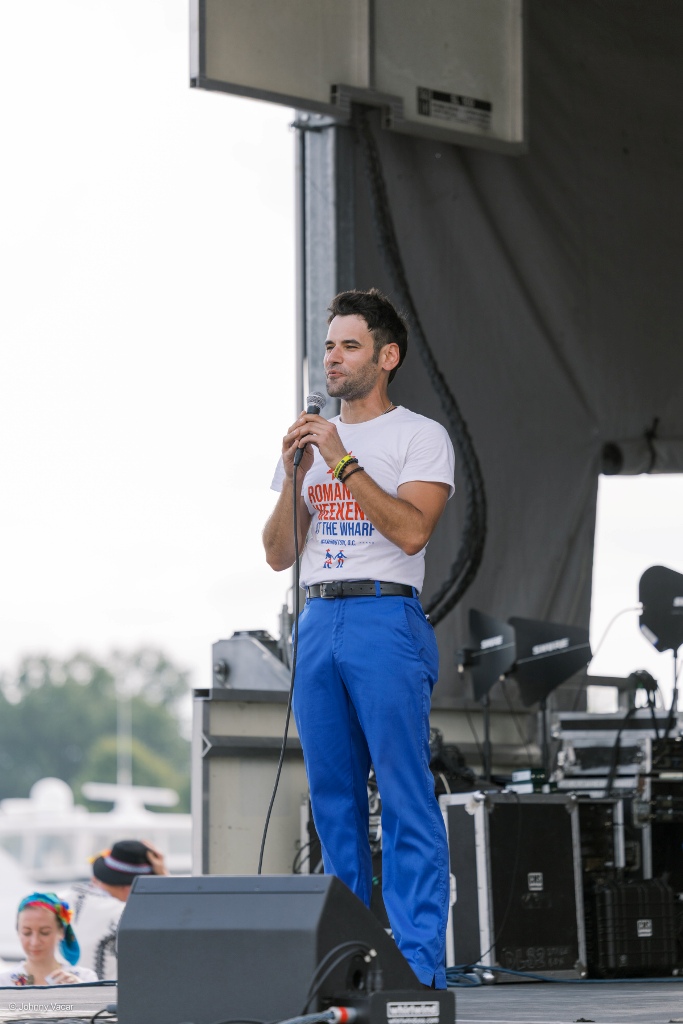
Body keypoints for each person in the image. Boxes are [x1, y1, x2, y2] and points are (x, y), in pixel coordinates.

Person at [263, 288, 454, 989]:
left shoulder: (418, 435)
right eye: (329, 346)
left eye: (349, 345)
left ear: (387, 356)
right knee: (332, 801)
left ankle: (419, 966)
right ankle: (349, 963)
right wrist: (295, 472)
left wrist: (342, 461)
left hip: (383, 614)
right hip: (318, 616)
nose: (333, 358)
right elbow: (278, 554)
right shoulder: (309, 442)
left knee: (403, 794)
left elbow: (411, 530)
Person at [60, 839, 168, 980]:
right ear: (130, 888)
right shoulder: (126, 913)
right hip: (104, 992)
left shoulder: (67, 897)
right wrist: (164, 875)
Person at [0, 893, 98, 986]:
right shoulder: (4, 982)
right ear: (18, 932)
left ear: (61, 932)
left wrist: (81, 990)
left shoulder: (85, 978)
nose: (35, 942)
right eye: (27, 933)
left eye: (45, 932)